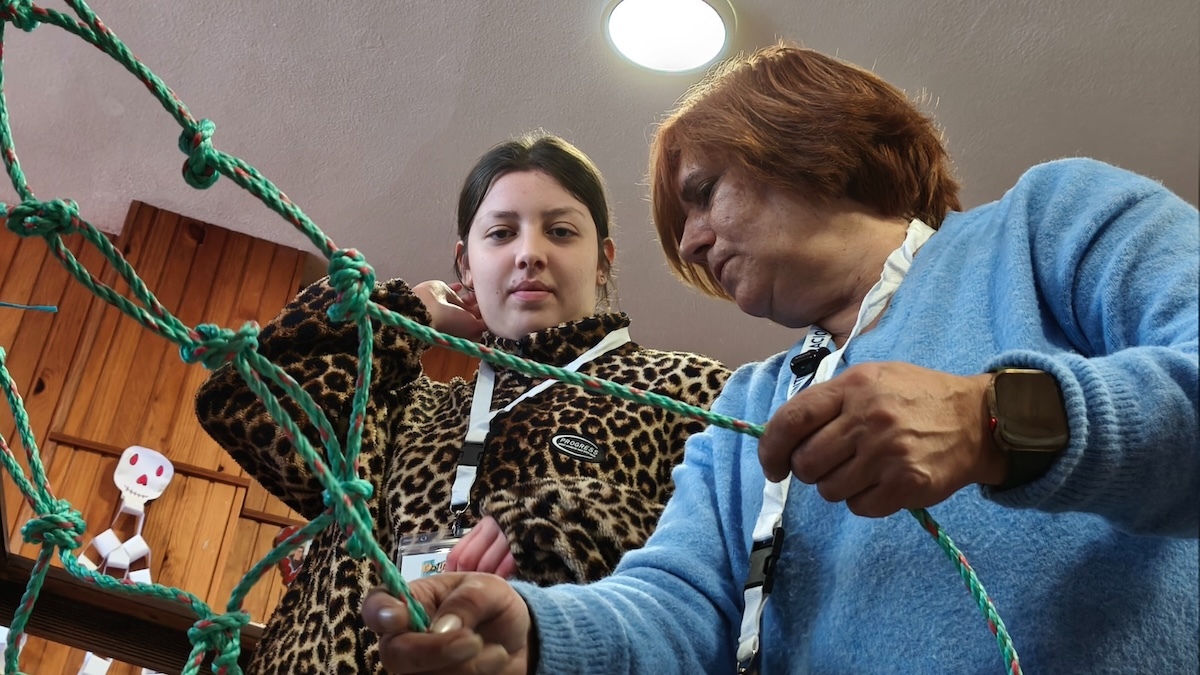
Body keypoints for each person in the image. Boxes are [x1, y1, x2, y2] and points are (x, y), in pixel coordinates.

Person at [360, 45, 1199, 674]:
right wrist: (537, 630)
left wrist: (998, 420)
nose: (688, 240)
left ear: (810, 138)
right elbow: (682, 605)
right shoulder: (747, 403)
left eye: (702, 194)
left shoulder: (1049, 222)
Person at [194, 133, 731, 672]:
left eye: (561, 231)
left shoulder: (689, 393)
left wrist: (562, 517)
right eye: (500, 233)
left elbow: (728, 572)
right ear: (465, 264)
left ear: (602, 261)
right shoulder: (404, 408)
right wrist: (399, 314)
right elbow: (241, 400)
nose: (529, 254)